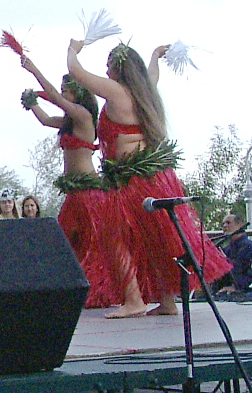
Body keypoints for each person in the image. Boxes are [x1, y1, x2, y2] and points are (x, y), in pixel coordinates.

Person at [67, 39, 230, 318]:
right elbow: (151, 76)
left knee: (111, 235)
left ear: (120, 68)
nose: (106, 70)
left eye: (109, 65)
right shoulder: (142, 93)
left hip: (133, 180)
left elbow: (76, 73)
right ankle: (166, 303)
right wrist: (154, 56)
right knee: (154, 239)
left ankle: (134, 300)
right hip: (154, 177)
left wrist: (73, 49)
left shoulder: (117, 92)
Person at [20, 55, 118, 308]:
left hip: (89, 192)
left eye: (67, 90)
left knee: (91, 243)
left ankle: (99, 289)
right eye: (63, 90)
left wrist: (34, 70)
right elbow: (44, 119)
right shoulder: (68, 122)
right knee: (67, 242)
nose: (63, 94)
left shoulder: (84, 116)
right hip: (74, 193)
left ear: (78, 93)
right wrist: (32, 103)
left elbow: (53, 96)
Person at [215, 213, 252, 294]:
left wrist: (236, 287)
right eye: (223, 224)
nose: (224, 226)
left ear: (240, 224)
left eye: (228, 223)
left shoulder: (249, 247)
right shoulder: (226, 249)